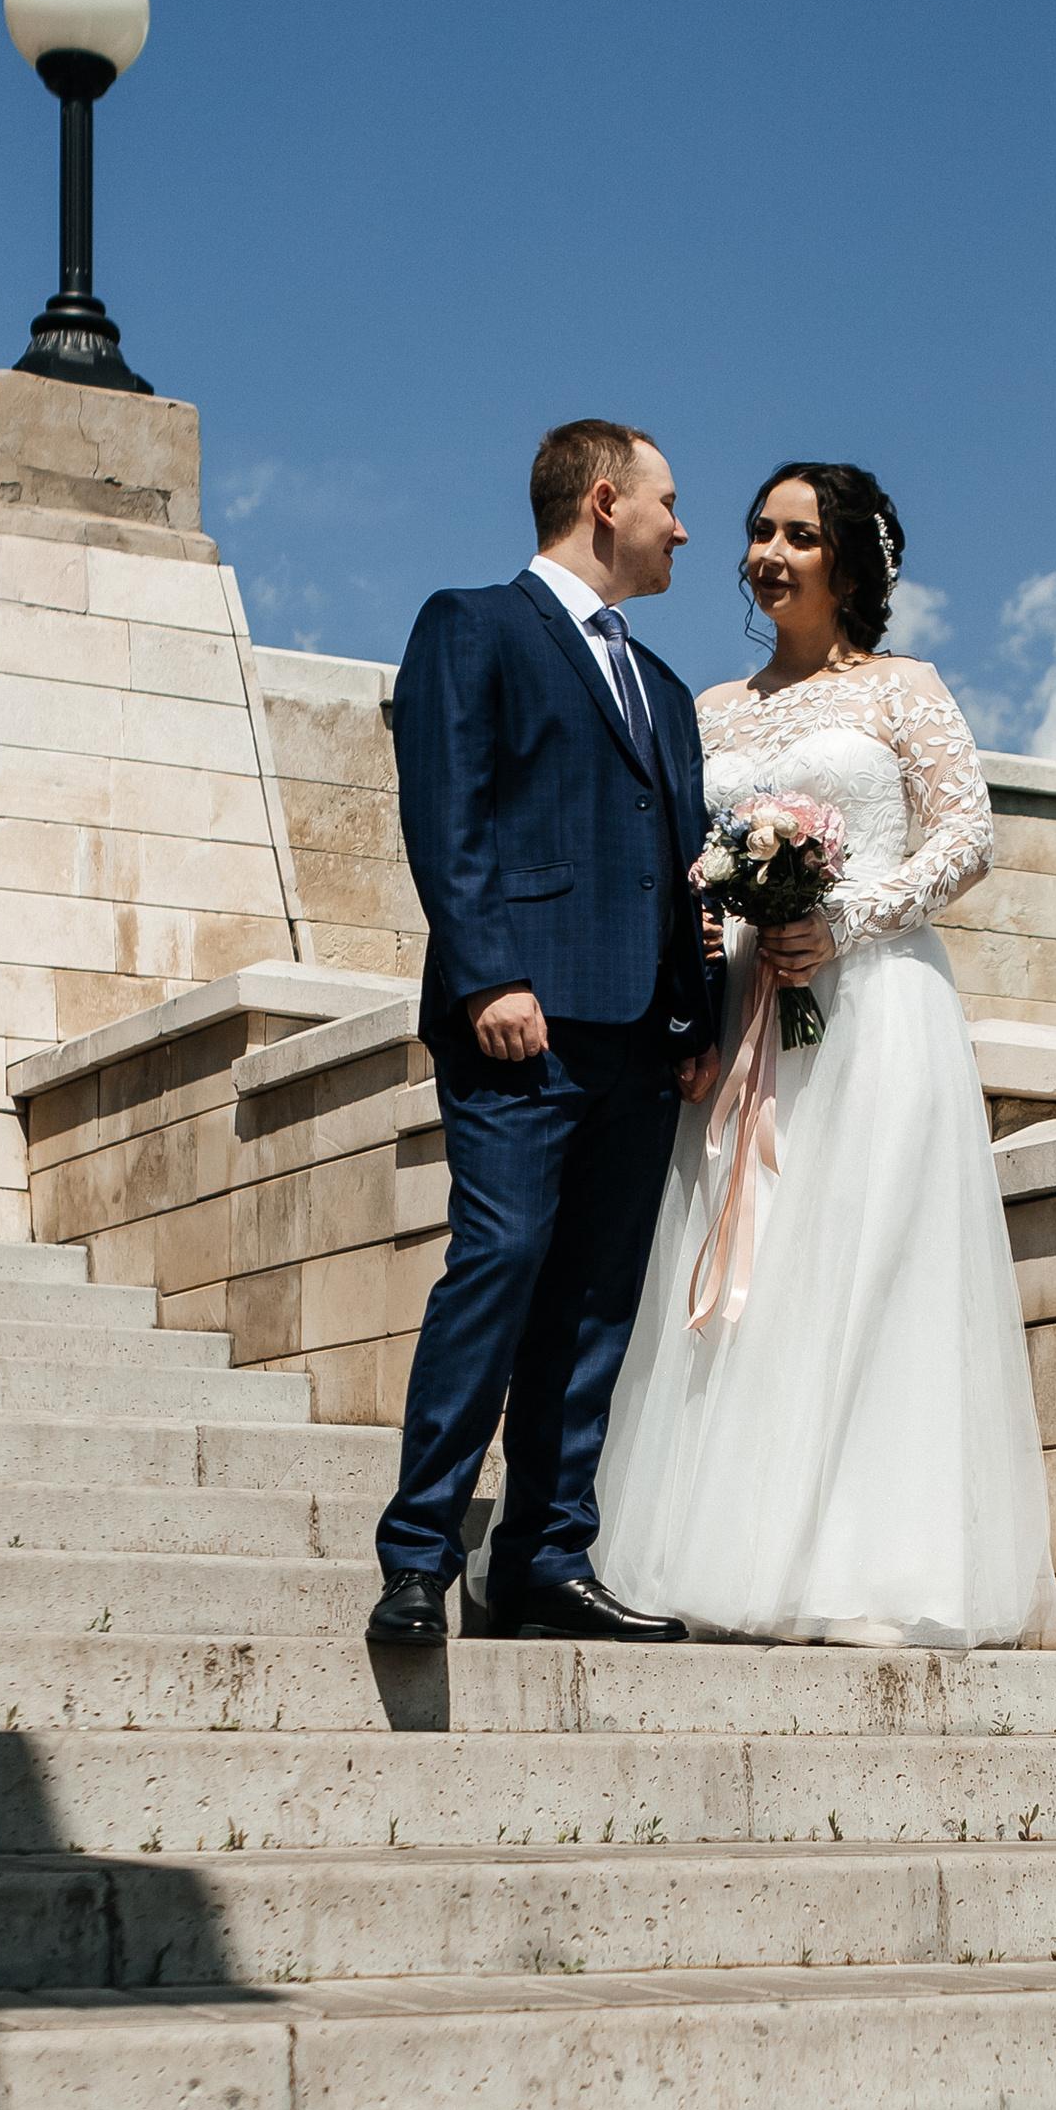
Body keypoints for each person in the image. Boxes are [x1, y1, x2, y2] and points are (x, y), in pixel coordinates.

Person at [592, 462, 1056, 1649]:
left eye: (799, 536)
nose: (769, 553)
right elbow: (684, 861)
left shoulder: (906, 690)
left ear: (849, 562)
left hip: (874, 1008)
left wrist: (842, 919)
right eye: (760, 531)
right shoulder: (710, 708)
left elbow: (967, 837)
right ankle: (718, 1552)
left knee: (866, 1270)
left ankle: (868, 1568)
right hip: (743, 1015)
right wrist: (710, 939)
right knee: (747, 1276)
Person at [366, 421, 720, 1652]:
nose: (683, 529)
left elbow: (680, 871)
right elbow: (445, 810)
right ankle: (419, 1557)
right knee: (500, 1265)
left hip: (641, 1045)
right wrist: (487, 976)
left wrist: (694, 1018)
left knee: (595, 1305)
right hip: (518, 1024)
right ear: (606, 499)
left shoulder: (663, 689)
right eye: (669, 503)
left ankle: (544, 1561)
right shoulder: (472, 626)